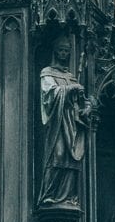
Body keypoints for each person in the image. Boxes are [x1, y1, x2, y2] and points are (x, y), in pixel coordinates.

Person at [38, 35, 92, 208]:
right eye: (61, 50)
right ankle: (49, 195)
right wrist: (70, 89)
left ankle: (68, 197)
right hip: (58, 123)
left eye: (66, 51)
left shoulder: (71, 76)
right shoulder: (47, 72)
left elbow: (83, 102)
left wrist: (87, 108)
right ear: (55, 51)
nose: (63, 54)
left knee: (72, 160)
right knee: (58, 154)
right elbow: (49, 94)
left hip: (73, 124)